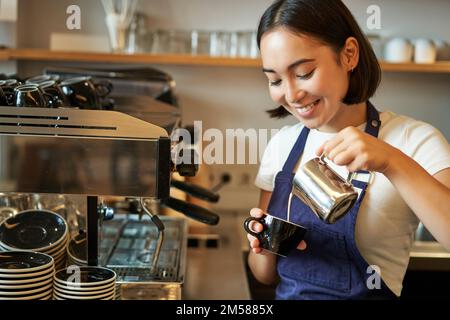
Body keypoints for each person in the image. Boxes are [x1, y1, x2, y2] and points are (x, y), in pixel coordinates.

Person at [246, 0, 450, 300]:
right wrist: (261, 239)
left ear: (349, 54)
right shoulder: (283, 144)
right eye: (274, 80)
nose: (290, 94)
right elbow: (264, 273)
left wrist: (390, 161)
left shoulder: (414, 140)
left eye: (303, 73)